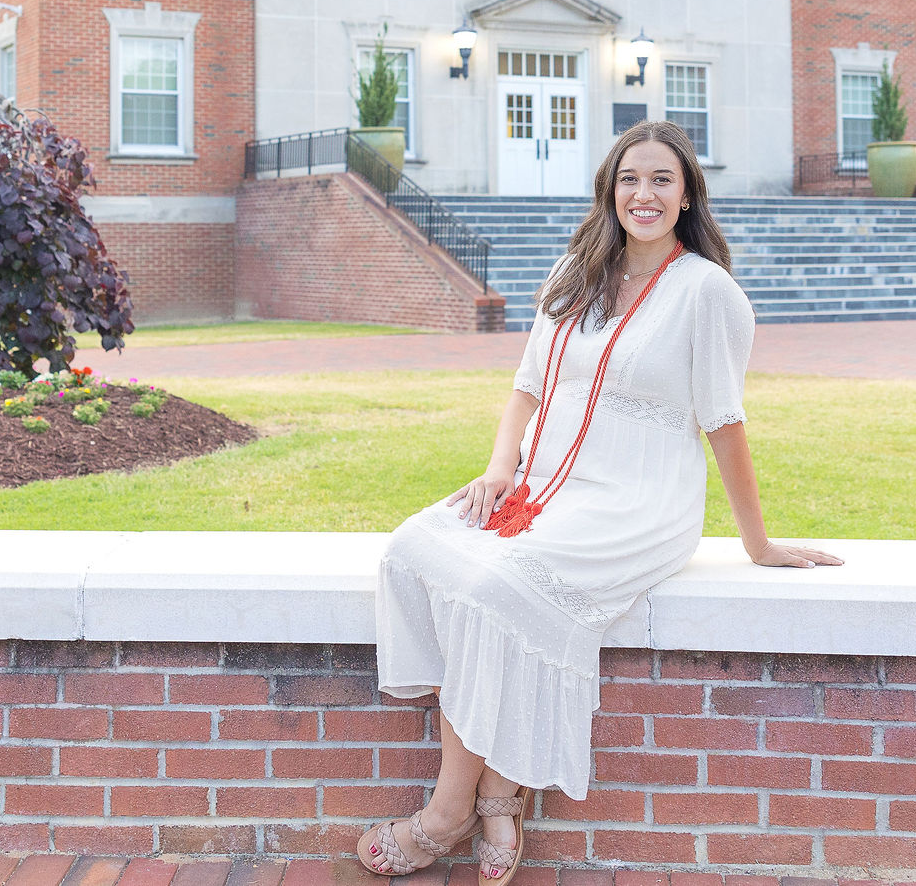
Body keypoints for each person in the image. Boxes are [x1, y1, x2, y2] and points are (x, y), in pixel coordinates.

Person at [360, 121, 842, 882]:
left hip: (637, 500)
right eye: (629, 178)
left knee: (492, 586)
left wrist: (758, 542)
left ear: (687, 194)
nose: (643, 194)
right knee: (417, 549)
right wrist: (498, 467)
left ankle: (450, 811)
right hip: (542, 487)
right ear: (608, 189)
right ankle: (499, 791)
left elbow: (724, 421)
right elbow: (526, 385)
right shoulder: (576, 271)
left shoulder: (706, 293)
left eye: (661, 180)